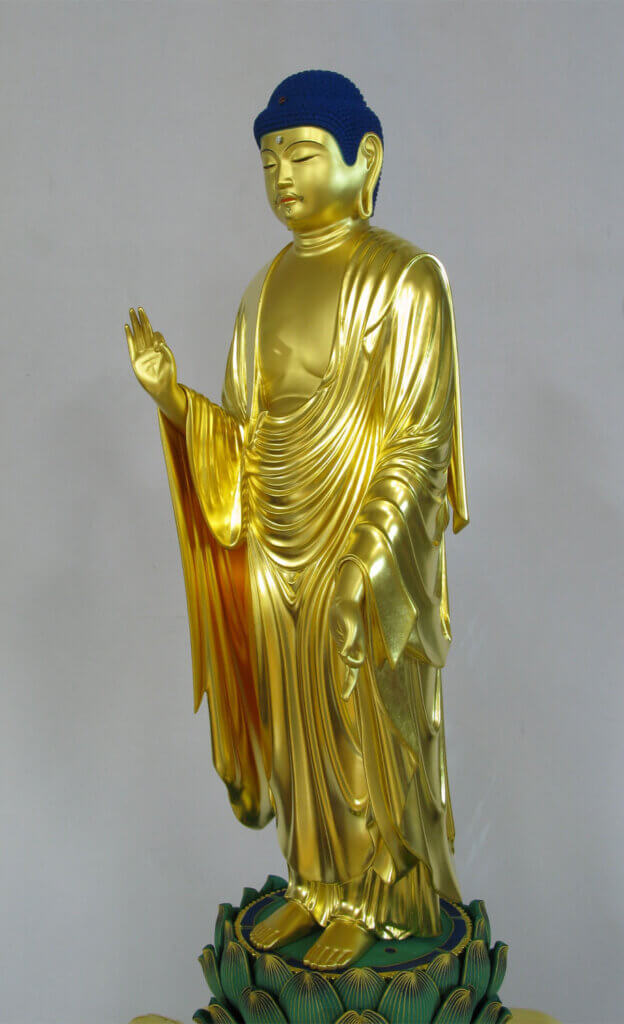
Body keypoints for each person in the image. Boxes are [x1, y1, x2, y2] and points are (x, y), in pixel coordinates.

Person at [124, 70, 468, 970]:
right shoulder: (263, 289)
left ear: (367, 157)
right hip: (277, 544)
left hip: (364, 541)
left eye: (303, 153)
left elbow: (417, 440)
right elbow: (242, 437)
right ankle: (315, 884)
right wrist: (174, 400)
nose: (282, 174)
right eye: (269, 159)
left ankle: (382, 897)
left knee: (363, 722)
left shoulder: (406, 280)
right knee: (294, 727)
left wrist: (368, 554)